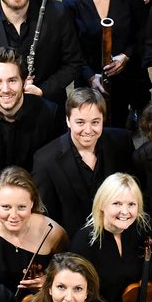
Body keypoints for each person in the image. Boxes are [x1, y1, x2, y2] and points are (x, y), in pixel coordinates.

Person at [0, 47, 65, 205]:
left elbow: (54, 174)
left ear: (23, 82)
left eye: (12, 80)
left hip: (36, 206)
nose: (5, 89)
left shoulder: (49, 114)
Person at [61, 0, 146, 127]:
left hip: (125, 78)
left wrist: (125, 56)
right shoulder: (72, 2)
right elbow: (69, 48)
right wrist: (91, 76)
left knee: (118, 127)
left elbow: (143, 34)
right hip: (87, 78)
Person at [69, 173, 152, 302]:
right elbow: (83, 296)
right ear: (102, 204)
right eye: (117, 203)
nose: (125, 211)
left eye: (131, 204)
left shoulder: (146, 227)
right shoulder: (84, 242)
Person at [32, 87, 134, 234]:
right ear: (68, 120)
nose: (88, 130)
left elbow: (134, 191)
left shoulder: (121, 142)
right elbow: (47, 218)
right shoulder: (45, 160)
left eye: (95, 122)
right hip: (73, 245)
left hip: (120, 234)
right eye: (80, 122)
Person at [0, 166, 68, 296]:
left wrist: (50, 283)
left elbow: (69, 273)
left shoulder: (52, 231)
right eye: (6, 207)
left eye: (21, 207)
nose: (13, 215)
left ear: (32, 203)